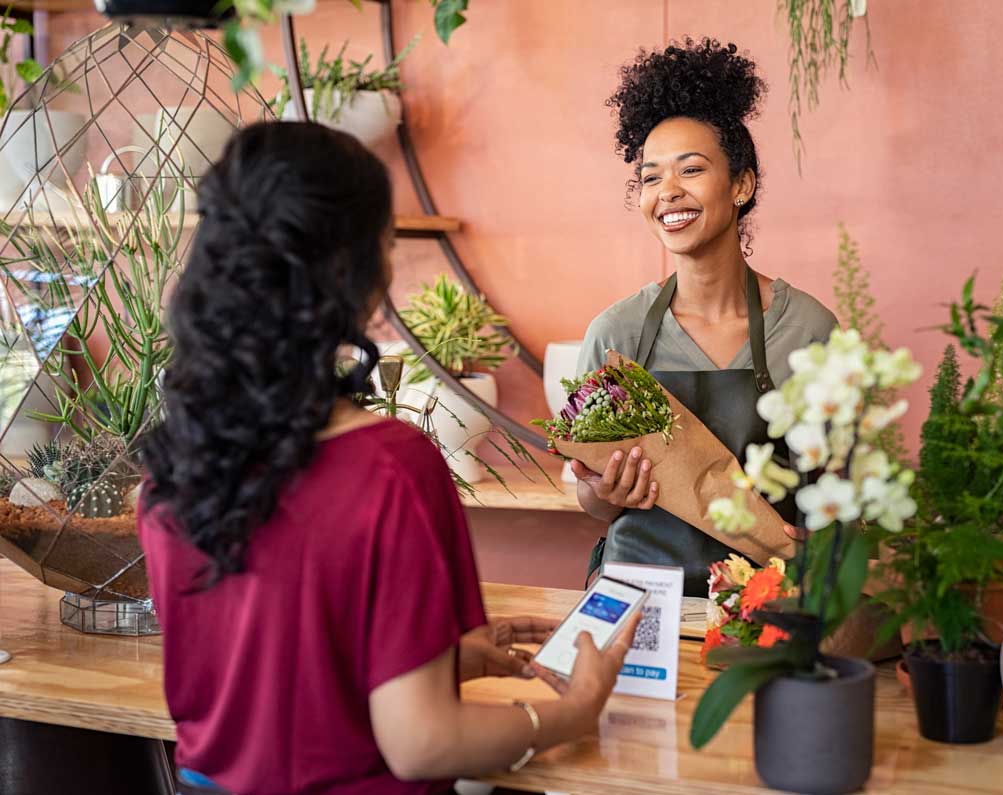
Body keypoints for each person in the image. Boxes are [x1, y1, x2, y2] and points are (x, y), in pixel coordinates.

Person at [139, 122, 637, 795]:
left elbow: (272, 671)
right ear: (355, 275)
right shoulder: (390, 469)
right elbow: (421, 742)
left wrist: (442, 658)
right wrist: (573, 710)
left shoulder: (174, 467)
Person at [575, 38, 837, 596]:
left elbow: (838, 494)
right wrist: (607, 490)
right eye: (649, 178)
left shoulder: (808, 331)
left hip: (766, 607)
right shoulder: (617, 335)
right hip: (641, 602)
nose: (667, 192)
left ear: (741, 185)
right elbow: (591, 502)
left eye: (690, 170)